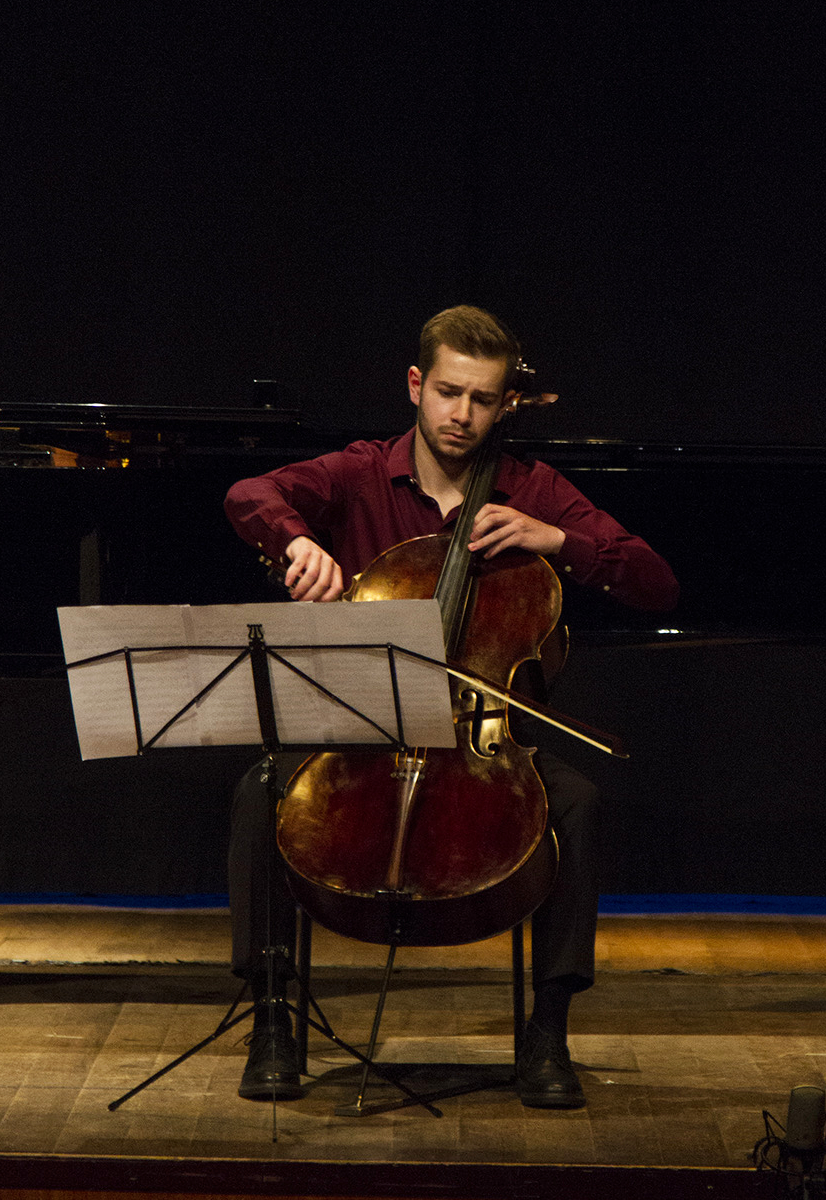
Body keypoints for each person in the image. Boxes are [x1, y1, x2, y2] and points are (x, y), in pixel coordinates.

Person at [223, 305, 678, 1108]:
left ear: (506, 405)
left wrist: (555, 541)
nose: (461, 415)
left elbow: (653, 579)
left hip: (484, 733)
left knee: (577, 805)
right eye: (447, 392)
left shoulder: (533, 489)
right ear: (415, 385)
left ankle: (548, 1032)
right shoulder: (360, 473)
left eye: (481, 399)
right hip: (360, 723)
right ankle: (271, 1020)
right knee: (261, 793)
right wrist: (296, 540)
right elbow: (249, 493)